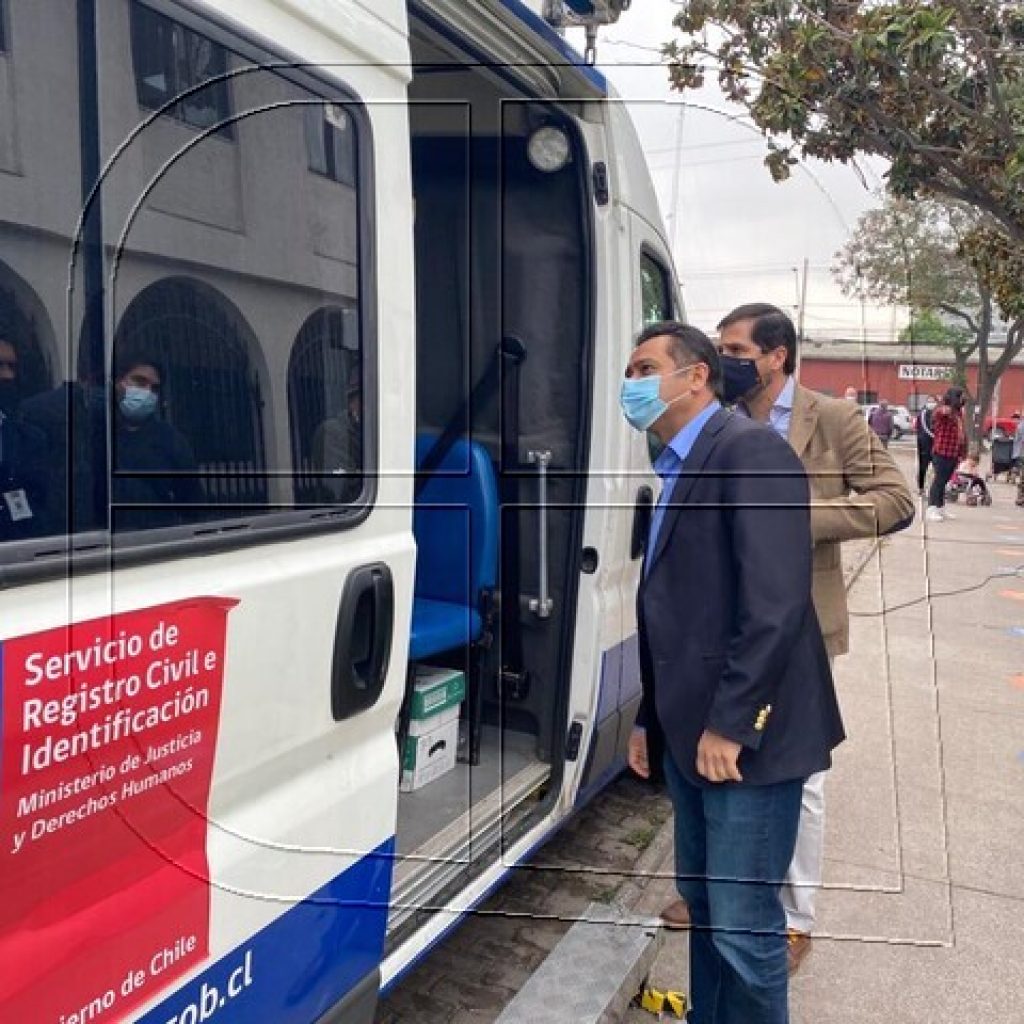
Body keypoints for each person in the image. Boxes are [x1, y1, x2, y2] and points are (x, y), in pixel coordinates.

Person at [658, 303, 912, 976]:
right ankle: (723, 893)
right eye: (720, 348)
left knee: (794, 774)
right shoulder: (722, 421)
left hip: (800, 618)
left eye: (738, 350)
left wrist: (792, 516)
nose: (726, 359)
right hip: (723, 624)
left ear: (777, 356)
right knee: (722, 768)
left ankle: (794, 917)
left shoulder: (833, 419)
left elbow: (895, 500)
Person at [624, 320, 845, 1024]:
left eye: (645, 368)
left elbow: (775, 604)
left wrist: (732, 722)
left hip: (748, 742)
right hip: (690, 736)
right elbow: (673, 612)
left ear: (696, 377)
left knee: (746, 929)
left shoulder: (750, 451)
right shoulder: (678, 463)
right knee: (708, 908)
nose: (632, 384)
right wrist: (649, 718)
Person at [111, 352, 204, 530]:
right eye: (139, 382)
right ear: (118, 383)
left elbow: (192, 503)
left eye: (154, 388)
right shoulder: (98, 435)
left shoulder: (170, 440)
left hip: (156, 536)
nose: (147, 392)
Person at [0, 335, 49, 540]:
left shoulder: (29, 438)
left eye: (11, 367)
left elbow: (39, 502)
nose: (8, 375)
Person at [926, 387, 967, 523]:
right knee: (938, 481)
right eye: (960, 397)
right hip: (941, 452)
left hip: (953, 453)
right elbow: (940, 412)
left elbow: (961, 434)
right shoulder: (943, 410)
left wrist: (961, 453)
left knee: (944, 482)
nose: (963, 400)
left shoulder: (959, 413)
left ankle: (940, 507)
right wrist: (950, 405)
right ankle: (931, 508)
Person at [916, 395, 938, 495]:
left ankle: (934, 489)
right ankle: (921, 487)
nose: (931, 403)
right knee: (923, 466)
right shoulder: (923, 413)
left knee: (936, 467)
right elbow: (924, 427)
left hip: (935, 444)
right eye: (929, 401)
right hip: (924, 443)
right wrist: (934, 436)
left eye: (933, 401)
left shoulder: (937, 413)